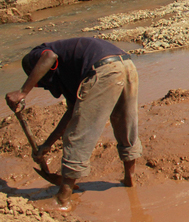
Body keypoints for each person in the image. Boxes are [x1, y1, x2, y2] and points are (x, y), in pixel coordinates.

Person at [5, 37, 142, 210]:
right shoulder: (71, 69)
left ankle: (62, 199)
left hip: (102, 69)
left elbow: (49, 57)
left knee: (78, 134)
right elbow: (72, 112)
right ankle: (130, 180)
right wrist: (47, 145)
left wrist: (23, 91)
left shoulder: (34, 56)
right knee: (125, 124)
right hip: (126, 64)